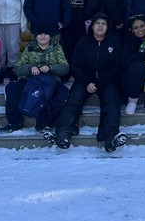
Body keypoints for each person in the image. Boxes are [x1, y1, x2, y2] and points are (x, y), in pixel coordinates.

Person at [53, 14, 128, 153]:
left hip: (107, 81)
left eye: (103, 24)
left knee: (112, 103)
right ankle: (64, 132)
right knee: (73, 101)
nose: (100, 26)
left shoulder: (114, 42)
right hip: (84, 80)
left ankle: (110, 136)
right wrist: (86, 82)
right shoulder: (83, 42)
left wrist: (103, 81)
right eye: (97, 23)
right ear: (92, 26)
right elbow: (74, 65)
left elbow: (118, 65)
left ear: (107, 27)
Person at [0, 23, 69, 134]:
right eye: (40, 34)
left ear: (50, 36)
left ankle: (44, 122)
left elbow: (65, 67)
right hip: (31, 80)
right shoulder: (29, 47)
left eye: (46, 34)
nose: (43, 36)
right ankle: (15, 122)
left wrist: (51, 67)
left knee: (63, 92)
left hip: (51, 81)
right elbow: (18, 68)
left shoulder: (56, 48)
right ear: (35, 36)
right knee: (11, 89)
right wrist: (30, 67)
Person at [56, 0, 99, 74]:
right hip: (66, 21)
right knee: (66, 47)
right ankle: (66, 72)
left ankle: (77, 71)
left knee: (79, 47)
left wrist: (87, 14)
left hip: (80, 20)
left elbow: (93, 1)